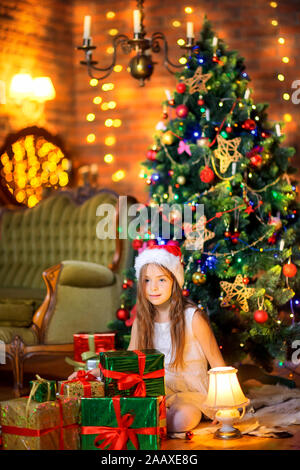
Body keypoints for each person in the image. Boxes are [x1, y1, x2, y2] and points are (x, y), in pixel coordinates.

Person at [68, 243, 226, 433]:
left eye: (161, 280)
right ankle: (149, 420)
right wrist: (93, 374)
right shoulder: (142, 322)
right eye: (147, 281)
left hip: (190, 394)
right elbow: (127, 363)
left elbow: (218, 365)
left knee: (181, 419)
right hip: (156, 392)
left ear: (175, 281)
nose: (153, 288)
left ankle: (151, 421)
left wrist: (224, 405)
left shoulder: (193, 318)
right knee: (125, 409)